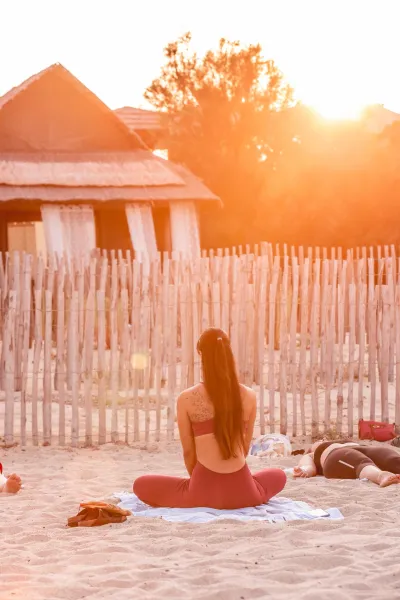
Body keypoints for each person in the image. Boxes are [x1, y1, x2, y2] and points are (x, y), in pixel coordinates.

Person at [134, 328, 286, 509]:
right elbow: (244, 449)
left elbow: (189, 452)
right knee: (279, 475)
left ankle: (204, 491)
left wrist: (200, 483)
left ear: (201, 354)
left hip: (200, 492)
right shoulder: (249, 396)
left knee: (140, 484)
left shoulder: (186, 399)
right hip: (245, 492)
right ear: (229, 352)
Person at [294, 439, 400, 487]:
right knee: (361, 463)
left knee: (391, 458)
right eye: (317, 442)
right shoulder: (313, 454)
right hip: (336, 455)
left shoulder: (344, 441)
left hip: (364, 449)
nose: (321, 440)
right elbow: (308, 466)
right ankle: (380, 476)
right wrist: (304, 470)